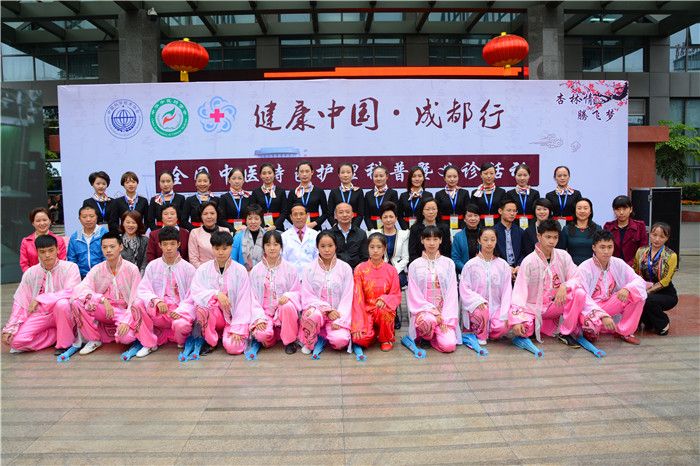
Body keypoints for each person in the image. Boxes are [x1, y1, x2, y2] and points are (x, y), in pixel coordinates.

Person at [509, 219, 586, 347]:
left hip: (555, 304)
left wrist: (564, 286)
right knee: (524, 330)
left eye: (555, 237)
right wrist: (517, 320)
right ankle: (537, 325)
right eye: (548, 237)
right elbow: (519, 292)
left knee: (579, 293)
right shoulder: (529, 261)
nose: (552, 241)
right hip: (533, 307)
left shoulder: (563, 256)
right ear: (539, 236)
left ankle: (566, 332)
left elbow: (577, 277)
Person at [125, 227, 197, 357]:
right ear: (159, 245)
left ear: (178, 244)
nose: (169, 248)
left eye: (172, 244)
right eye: (165, 244)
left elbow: (193, 296)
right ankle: (149, 343)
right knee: (137, 304)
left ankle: (180, 340)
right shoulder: (153, 265)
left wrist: (181, 311)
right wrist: (156, 300)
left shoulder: (188, 268)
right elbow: (143, 289)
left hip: (178, 312)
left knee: (181, 325)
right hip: (158, 311)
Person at [2, 235, 80, 353]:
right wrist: (10, 328)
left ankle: (65, 343)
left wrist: (41, 298)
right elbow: (21, 302)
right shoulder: (31, 272)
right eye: (42, 252)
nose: (47, 255)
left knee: (62, 304)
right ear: (37, 252)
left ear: (57, 250)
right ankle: (57, 335)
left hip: (64, 313)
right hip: (41, 313)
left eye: (51, 250)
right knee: (16, 342)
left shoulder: (70, 267)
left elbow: (71, 291)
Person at [190, 231, 261, 355]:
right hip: (214, 317)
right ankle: (210, 341)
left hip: (234, 318)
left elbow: (244, 300)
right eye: (217, 248)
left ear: (231, 248)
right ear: (212, 248)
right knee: (202, 308)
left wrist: (238, 329)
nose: (221, 252)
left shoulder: (240, 270)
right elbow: (196, 291)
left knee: (234, 347)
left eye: (224, 248)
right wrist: (216, 294)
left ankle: (226, 334)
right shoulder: (203, 269)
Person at [72, 230, 142, 355]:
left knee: (125, 338)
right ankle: (93, 339)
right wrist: (101, 299)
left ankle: (122, 329)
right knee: (77, 303)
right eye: (104, 247)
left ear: (120, 247)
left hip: (123, 312)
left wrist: (126, 321)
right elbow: (80, 289)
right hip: (104, 309)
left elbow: (135, 298)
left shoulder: (132, 269)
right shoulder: (97, 269)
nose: (108, 250)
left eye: (112, 246)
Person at [578, 230, 647, 344]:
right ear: (594, 247)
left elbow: (639, 281)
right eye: (602, 247)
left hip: (610, 303)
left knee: (637, 294)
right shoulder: (585, 268)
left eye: (610, 247)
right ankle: (597, 326)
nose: (606, 251)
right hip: (591, 308)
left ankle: (624, 332)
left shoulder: (618, 263)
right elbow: (582, 298)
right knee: (589, 326)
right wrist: (602, 315)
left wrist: (627, 288)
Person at [406, 225, 460, 353]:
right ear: (422, 240)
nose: (431, 243)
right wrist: (434, 313)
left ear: (440, 240)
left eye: (435, 239)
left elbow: (452, 293)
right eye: (428, 239)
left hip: (444, 314)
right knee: (428, 320)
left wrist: (444, 317)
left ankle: (435, 336)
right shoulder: (414, 265)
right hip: (424, 313)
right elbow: (414, 295)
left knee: (449, 346)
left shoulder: (448, 263)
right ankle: (426, 336)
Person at [248, 230, 302, 355]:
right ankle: (272, 336)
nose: (272, 248)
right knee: (261, 335)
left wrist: (288, 296)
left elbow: (298, 291)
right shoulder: (256, 270)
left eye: (276, 244)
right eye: (268, 244)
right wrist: (259, 317)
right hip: (264, 313)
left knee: (288, 306)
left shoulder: (290, 268)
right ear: (263, 247)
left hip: (283, 312)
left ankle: (289, 341)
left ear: (281, 247)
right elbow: (252, 297)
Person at [298, 231, 353, 354]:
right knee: (313, 315)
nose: (327, 250)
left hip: (337, 315)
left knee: (341, 341)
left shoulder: (345, 268)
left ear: (336, 246)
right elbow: (307, 296)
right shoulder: (309, 269)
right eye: (323, 246)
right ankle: (310, 340)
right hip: (317, 313)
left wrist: (340, 320)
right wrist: (327, 310)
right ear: (317, 247)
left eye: (330, 246)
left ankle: (325, 334)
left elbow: (348, 297)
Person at [459, 228, 512, 345]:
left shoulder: (503, 265)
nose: (489, 243)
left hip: (496, 307)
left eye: (492, 239)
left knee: (504, 326)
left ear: (496, 241)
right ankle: (480, 331)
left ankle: (489, 332)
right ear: (479, 240)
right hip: (477, 308)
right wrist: (478, 301)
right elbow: (464, 289)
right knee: (481, 312)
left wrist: (505, 312)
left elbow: (507, 290)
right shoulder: (470, 265)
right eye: (485, 239)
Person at [351, 233, 402, 351]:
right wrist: (358, 324)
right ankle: (373, 332)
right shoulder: (360, 269)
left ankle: (386, 338)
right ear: (367, 248)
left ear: (384, 249)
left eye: (379, 247)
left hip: (383, 310)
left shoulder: (391, 270)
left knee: (384, 311)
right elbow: (357, 297)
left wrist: (385, 300)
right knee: (359, 339)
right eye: (372, 247)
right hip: (366, 311)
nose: (375, 250)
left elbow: (396, 294)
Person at [634, 222, 678, 336]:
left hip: (666, 293)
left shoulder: (671, 255)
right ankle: (648, 321)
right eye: (654, 235)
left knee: (647, 299)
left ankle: (664, 323)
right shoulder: (641, 251)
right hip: (644, 289)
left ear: (667, 238)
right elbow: (636, 272)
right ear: (650, 234)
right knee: (637, 299)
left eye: (662, 236)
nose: (657, 239)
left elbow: (665, 281)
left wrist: (646, 292)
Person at [368, 202, 409, 287]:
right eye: (385, 217)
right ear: (381, 219)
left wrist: (393, 271)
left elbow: (405, 258)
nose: (388, 220)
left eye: (391, 217)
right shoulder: (374, 233)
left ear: (396, 218)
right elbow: (371, 255)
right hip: (378, 269)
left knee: (396, 281)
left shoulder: (404, 234)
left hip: (397, 270)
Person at [604, 195, 647, 267]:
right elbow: (605, 249)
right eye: (618, 209)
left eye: (624, 209)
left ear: (631, 209)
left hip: (634, 268)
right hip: (613, 267)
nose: (621, 212)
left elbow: (643, 250)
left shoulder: (640, 226)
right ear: (614, 210)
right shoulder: (608, 226)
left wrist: (627, 266)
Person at [20, 207, 67, 272]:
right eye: (38, 221)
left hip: (55, 276)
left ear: (50, 221)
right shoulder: (26, 241)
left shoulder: (59, 240)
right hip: (33, 276)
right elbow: (24, 264)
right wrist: (32, 276)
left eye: (44, 220)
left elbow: (62, 262)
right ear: (33, 223)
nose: (42, 223)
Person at [286, 161, 328, 231]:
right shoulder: (293, 192)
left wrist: (314, 223)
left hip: (315, 228)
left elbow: (326, 213)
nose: (304, 174)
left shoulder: (319, 191)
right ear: (297, 174)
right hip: (298, 228)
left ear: (312, 172)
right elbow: (287, 213)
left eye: (307, 171)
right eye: (301, 171)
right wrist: (297, 224)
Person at [67, 205, 106, 278]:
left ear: (97, 217)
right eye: (84, 217)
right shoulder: (75, 237)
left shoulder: (105, 234)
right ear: (79, 219)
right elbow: (72, 260)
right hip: (81, 277)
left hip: (102, 275)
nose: (88, 219)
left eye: (91, 216)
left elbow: (107, 257)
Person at [408, 199, 451, 264]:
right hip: (420, 264)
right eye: (427, 209)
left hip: (441, 264)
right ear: (422, 212)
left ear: (437, 210)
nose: (431, 212)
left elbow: (447, 251)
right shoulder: (415, 228)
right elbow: (412, 252)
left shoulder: (444, 228)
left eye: (434, 209)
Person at [187, 202, 229, 269]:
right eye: (205, 214)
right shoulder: (195, 233)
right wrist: (205, 271)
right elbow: (193, 259)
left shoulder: (225, 231)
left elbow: (229, 254)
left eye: (212, 213)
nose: (209, 217)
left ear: (217, 215)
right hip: (202, 271)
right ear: (201, 216)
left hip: (224, 270)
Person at [281, 203, 319, 275]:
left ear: (307, 216)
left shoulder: (316, 235)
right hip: (291, 276)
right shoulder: (284, 237)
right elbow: (282, 260)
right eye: (295, 214)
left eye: (301, 214)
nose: (298, 217)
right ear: (291, 217)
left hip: (312, 276)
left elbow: (318, 258)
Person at [561, 198, 601, 265]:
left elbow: (600, 251)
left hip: (592, 267)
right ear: (575, 211)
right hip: (571, 267)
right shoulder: (566, 229)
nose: (582, 211)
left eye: (585, 208)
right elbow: (560, 252)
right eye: (579, 208)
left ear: (590, 211)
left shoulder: (598, 229)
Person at [494, 198, 526, 278]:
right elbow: (493, 253)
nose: (512, 213)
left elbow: (524, 252)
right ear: (500, 211)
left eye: (514, 211)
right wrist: (506, 267)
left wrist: (519, 265)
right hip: (499, 270)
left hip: (518, 270)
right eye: (509, 210)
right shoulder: (493, 231)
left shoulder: (520, 231)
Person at [330, 202, 368, 270]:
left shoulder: (361, 234)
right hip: (335, 271)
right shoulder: (329, 234)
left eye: (347, 212)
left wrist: (358, 269)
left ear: (352, 215)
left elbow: (365, 257)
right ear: (335, 216)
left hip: (357, 271)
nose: (345, 215)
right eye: (341, 212)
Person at [251, 163, 287, 232]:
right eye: (264, 173)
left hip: (278, 228)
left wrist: (275, 226)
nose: (267, 176)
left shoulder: (281, 191)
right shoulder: (256, 192)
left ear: (274, 174)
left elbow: (284, 212)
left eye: (270, 173)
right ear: (260, 175)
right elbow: (253, 212)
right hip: (260, 228)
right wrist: (262, 226)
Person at [326, 163, 364, 229]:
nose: (345, 175)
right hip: (338, 228)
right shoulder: (334, 192)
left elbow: (361, 214)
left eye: (348, 172)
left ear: (353, 174)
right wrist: (335, 226)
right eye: (342, 172)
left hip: (355, 228)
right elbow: (329, 214)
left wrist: (353, 227)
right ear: (339, 175)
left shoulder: (358, 191)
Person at [435, 165, 470, 231]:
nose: (452, 179)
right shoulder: (439, 194)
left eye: (455, 176)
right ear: (444, 178)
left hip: (462, 226)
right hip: (443, 227)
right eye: (449, 177)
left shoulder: (464, 193)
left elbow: (467, 211)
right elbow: (437, 213)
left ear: (458, 177)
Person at [397, 166, 433, 230]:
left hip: (424, 229)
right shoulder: (403, 196)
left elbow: (430, 214)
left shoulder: (428, 195)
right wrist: (406, 229)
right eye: (414, 176)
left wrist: (425, 229)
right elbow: (399, 215)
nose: (417, 179)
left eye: (420, 176)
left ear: (423, 178)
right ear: (410, 179)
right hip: (407, 229)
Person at [471, 162, 507, 227]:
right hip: (480, 226)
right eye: (485, 173)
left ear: (495, 174)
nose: (489, 176)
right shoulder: (475, 193)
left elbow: (504, 211)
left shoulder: (501, 192)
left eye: (491, 173)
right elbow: (473, 212)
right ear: (481, 175)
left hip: (498, 225)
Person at [363, 165, 399, 230]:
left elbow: (395, 213)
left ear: (387, 177)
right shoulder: (368, 194)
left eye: (381, 176)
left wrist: (388, 226)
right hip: (372, 228)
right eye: (375, 176)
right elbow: (366, 216)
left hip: (389, 227)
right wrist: (372, 229)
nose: (378, 179)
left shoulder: (393, 193)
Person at [506, 163, 540, 230]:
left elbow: (537, 211)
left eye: (525, 175)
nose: (522, 178)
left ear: (529, 176)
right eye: (519, 175)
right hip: (514, 225)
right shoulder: (509, 193)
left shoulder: (535, 193)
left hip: (532, 225)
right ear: (515, 176)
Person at [232, 204, 265, 271]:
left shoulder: (267, 236)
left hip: (263, 274)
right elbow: (233, 259)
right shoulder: (238, 237)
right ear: (246, 220)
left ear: (261, 220)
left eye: (256, 219)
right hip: (242, 274)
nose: (253, 222)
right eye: (250, 219)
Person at [451, 204, 481, 274]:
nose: (473, 218)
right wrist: (466, 269)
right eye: (470, 216)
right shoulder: (458, 236)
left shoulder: (485, 235)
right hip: (464, 272)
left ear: (479, 218)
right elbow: (455, 259)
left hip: (483, 272)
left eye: (476, 215)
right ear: (464, 219)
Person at [220, 167, 251, 233]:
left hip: (246, 231)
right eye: (234, 178)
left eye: (240, 178)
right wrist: (234, 230)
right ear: (229, 180)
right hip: (229, 232)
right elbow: (221, 219)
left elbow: (252, 216)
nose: (237, 181)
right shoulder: (224, 198)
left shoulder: (248, 197)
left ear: (243, 180)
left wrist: (245, 227)